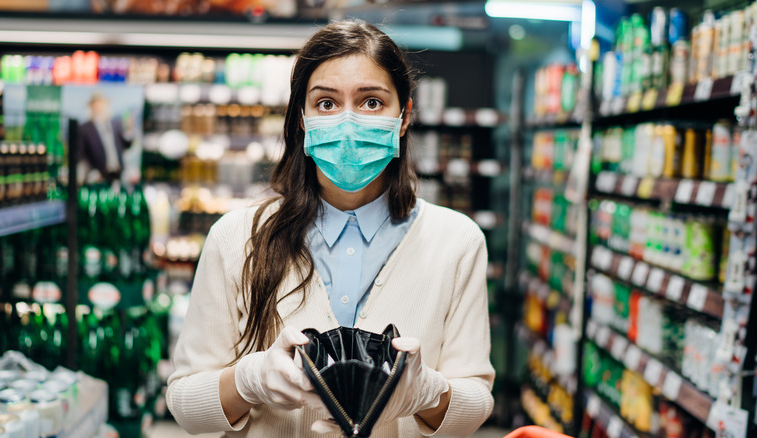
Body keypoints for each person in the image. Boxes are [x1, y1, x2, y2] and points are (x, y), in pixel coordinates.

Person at [166, 19, 494, 437]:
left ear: (405, 116)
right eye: (326, 104)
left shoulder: (457, 241)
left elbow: (477, 403)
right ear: (302, 118)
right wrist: (248, 381)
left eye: (372, 102)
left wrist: (429, 394)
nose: (349, 122)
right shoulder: (237, 237)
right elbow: (185, 405)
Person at [77, 91, 133, 183]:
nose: (99, 108)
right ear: (91, 107)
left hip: (119, 174)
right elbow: (81, 154)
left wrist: (129, 130)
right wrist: (89, 171)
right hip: (98, 176)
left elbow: (126, 145)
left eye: (101, 105)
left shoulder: (116, 124)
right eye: (96, 106)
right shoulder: (85, 129)